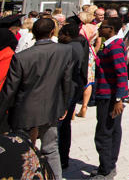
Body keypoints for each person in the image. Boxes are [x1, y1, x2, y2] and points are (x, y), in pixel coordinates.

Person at [0, 18, 75, 180]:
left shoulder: (21, 57)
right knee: (51, 148)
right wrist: (64, 105)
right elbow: (67, 80)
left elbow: (10, 89)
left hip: (25, 110)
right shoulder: (65, 51)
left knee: (26, 149)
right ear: (52, 32)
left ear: (33, 33)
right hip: (52, 107)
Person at [92, 18, 128, 179]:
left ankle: (106, 169)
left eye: (103, 27)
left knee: (105, 132)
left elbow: (122, 73)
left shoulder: (114, 48)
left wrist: (119, 99)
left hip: (109, 96)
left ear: (111, 29)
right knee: (111, 130)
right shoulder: (112, 45)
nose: (99, 29)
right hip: (108, 94)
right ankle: (107, 165)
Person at [56, 22, 88, 170]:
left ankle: (60, 158)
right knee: (65, 125)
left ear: (67, 34)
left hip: (68, 90)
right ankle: (63, 158)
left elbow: (67, 73)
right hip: (75, 87)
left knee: (61, 125)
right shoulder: (80, 43)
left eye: (61, 33)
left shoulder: (70, 48)